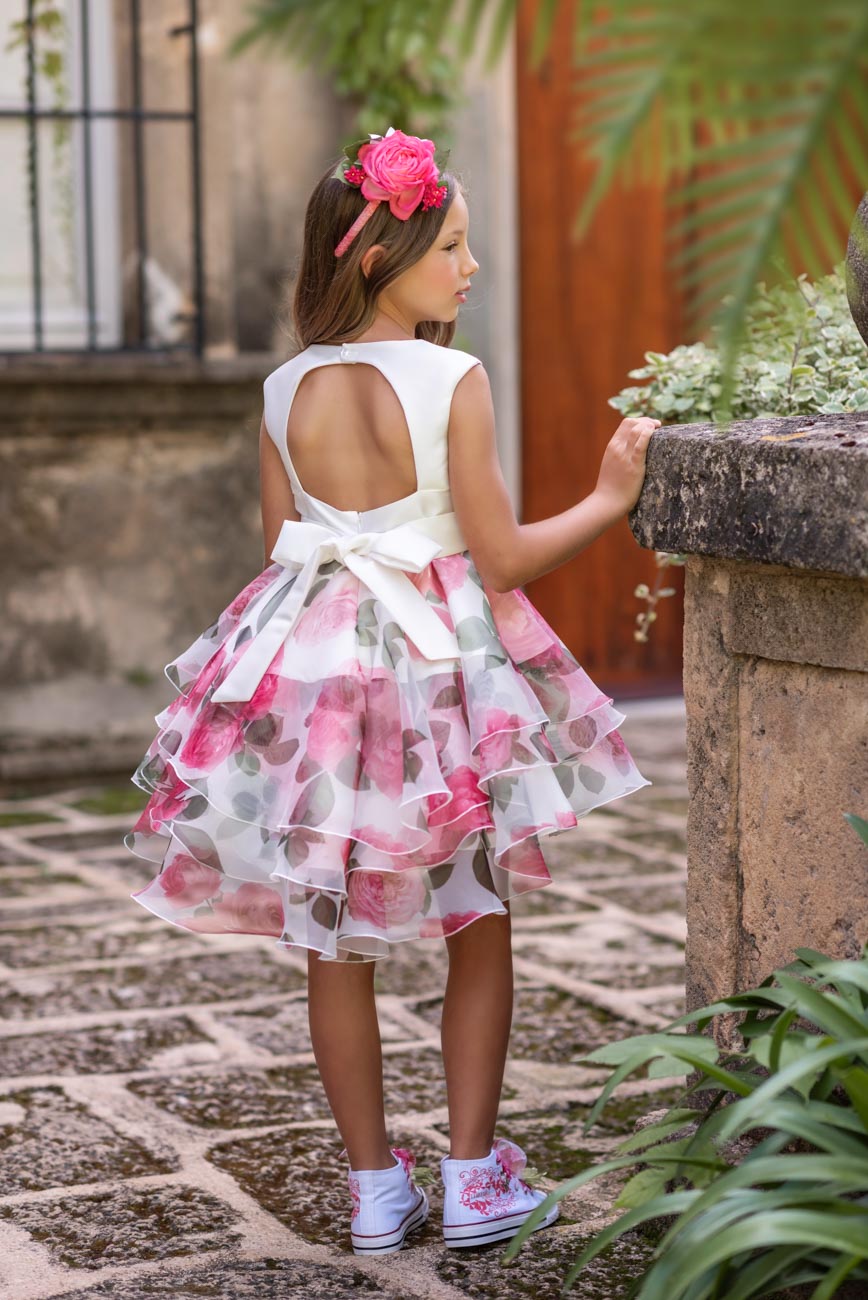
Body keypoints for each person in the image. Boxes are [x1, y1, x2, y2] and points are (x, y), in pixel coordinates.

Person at [124, 127, 657, 1258]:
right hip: (435, 673)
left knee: (332, 940)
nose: (470, 268)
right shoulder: (452, 378)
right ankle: (472, 1180)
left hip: (314, 679)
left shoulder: (281, 389)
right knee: (478, 918)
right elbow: (499, 557)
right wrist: (608, 498)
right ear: (379, 259)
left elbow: (282, 547)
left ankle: (375, 1191)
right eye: (451, 247)